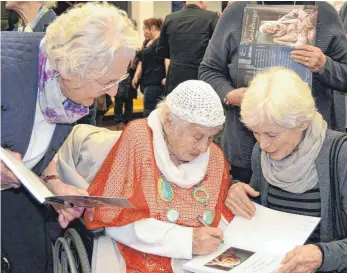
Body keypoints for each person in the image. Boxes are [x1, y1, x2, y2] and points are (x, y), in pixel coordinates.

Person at [1, 3, 140, 273]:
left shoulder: (70, 94)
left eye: (119, 79)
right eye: (106, 81)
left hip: (15, 198)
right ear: (72, 68)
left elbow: (40, 141)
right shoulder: (6, 67)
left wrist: (54, 183)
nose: (113, 92)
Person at [53, 80, 234, 273]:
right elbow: (114, 218)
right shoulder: (139, 139)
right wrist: (185, 241)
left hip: (201, 259)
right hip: (143, 251)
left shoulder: (213, 156)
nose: (205, 147)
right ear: (170, 122)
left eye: (212, 137)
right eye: (198, 137)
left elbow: (221, 213)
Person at [199, 1, 347, 184]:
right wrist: (229, 95)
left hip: (309, 152)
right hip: (246, 147)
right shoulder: (237, 11)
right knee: (250, 207)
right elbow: (208, 70)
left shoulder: (323, 12)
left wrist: (324, 65)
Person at [225, 67, 347, 273]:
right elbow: (258, 213)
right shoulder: (260, 153)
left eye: (272, 135)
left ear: (302, 122)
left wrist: (323, 255)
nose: (263, 144)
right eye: (256, 133)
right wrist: (235, 190)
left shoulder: (340, 155)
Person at [157, 1, 219, 94]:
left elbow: (161, 50)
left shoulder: (170, 18)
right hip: (200, 78)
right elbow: (219, 47)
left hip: (175, 77)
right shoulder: (211, 17)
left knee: (175, 107)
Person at [132, 18, 166, 117]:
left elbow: (167, 59)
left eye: (145, 29)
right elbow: (142, 60)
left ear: (153, 27)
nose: (144, 32)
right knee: (148, 109)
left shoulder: (162, 41)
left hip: (157, 82)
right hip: (148, 82)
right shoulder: (147, 42)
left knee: (151, 111)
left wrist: (167, 76)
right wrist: (136, 75)